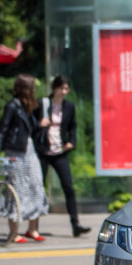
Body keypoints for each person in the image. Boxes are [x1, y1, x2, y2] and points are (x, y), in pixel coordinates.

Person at [0, 73, 49, 243]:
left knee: (36, 186)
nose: (34, 90)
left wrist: (40, 125)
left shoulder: (28, 106)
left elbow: (30, 129)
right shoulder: (12, 106)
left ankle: (32, 229)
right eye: (31, 87)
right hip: (15, 151)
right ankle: (14, 232)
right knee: (16, 190)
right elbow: (3, 129)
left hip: (29, 150)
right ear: (25, 88)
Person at [34, 76, 90, 237]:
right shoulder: (43, 104)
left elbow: (73, 127)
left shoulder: (69, 107)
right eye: (62, 88)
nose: (65, 92)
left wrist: (71, 142)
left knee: (68, 187)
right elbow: (31, 124)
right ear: (55, 88)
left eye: (67, 89)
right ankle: (34, 227)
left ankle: (75, 224)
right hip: (43, 151)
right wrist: (39, 124)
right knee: (39, 188)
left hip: (59, 151)